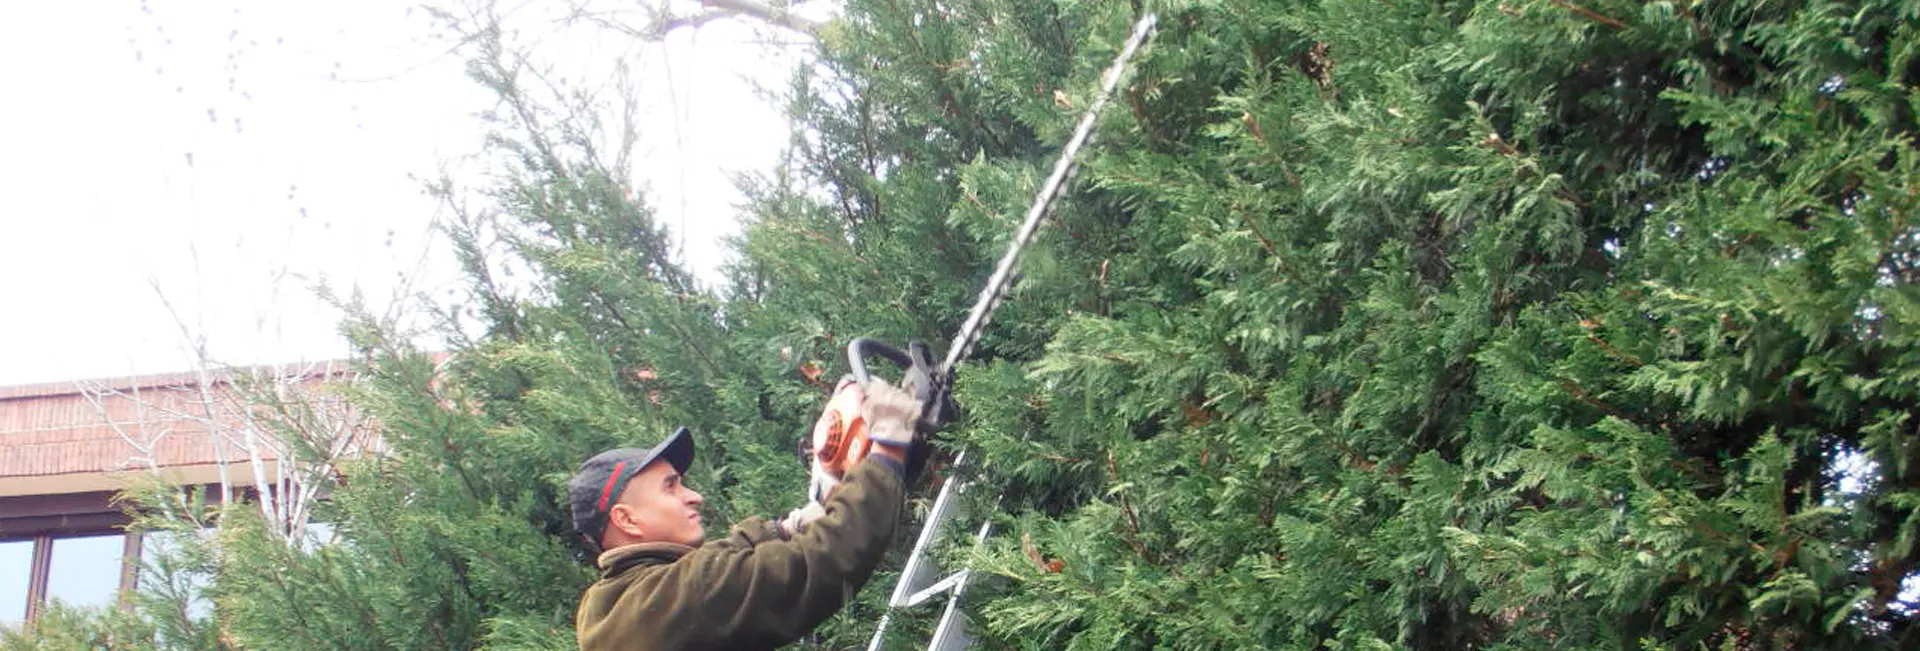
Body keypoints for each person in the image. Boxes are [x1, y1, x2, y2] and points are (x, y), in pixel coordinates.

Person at [566, 378, 923, 651]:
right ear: (626, 519)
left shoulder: (609, 607)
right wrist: (888, 447)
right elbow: (822, 561)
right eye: (670, 487)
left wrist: (791, 525)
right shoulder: (675, 598)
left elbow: (717, 560)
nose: (695, 497)